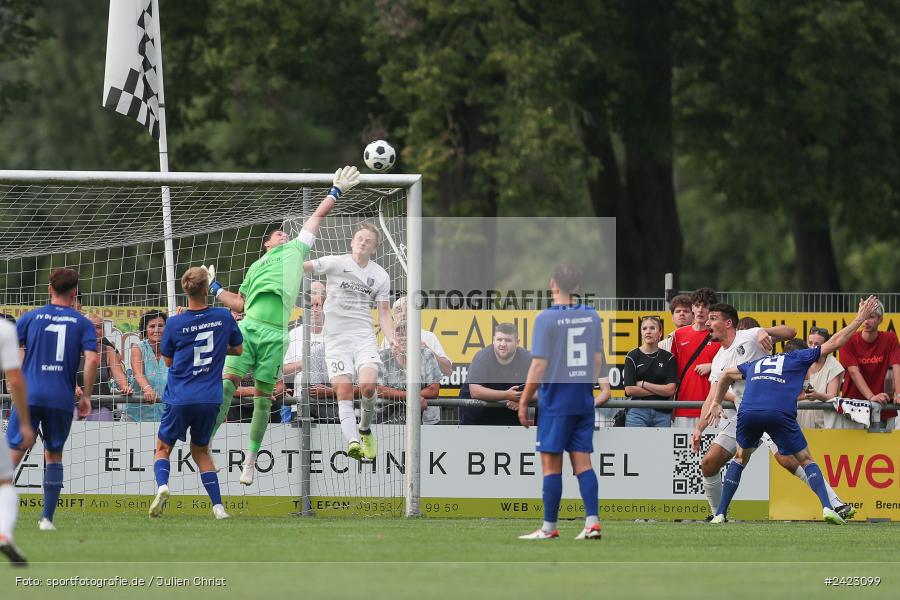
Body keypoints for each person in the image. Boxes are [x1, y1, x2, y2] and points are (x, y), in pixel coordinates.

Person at [210, 166, 359, 484]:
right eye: (279, 233)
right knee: (225, 386)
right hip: (248, 329)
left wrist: (336, 191)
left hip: (275, 335)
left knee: (265, 400)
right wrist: (215, 289)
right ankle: (206, 443)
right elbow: (240, 303)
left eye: (286, 233)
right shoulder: (254, 268)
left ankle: (250, 460)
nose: (285, 235)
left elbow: (316, 218)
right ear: (266, 244)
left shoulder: (295, 250)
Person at [707, 296, 880, 525]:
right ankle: (829, 507)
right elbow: (835, 343)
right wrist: (858, 319)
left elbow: (727, 375)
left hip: (748, 413)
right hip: (776, 412)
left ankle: (720, 513)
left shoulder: (755, 363)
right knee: (806, 459)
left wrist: (716, 402)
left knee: (740, 459)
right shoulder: (797, 359)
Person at [7, 268, 99, 531]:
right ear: (74, 293)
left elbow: (12, 350)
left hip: (30, 393)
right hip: (60, 396)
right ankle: (46, 519)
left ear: (49, 289)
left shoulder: (31, 317)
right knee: (54, 454)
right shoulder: (81, 322)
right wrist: (87, 396)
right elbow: (92, 358)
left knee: (13, 451)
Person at [517, 265, 604, 540]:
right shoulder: (591, 316)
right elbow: (598, 362)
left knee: (551, 467)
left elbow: (539, 365)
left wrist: (523, 401)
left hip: (555, 401)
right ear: (577, 288)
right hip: (582, 399)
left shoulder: (546, 319)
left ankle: (549, 527)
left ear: (552, 283)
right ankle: (592, 523)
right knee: (583, 464)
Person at [149, 267, 243, 519]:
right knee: (200, 451)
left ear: (185, 289)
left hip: (180, 396)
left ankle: (163, 486)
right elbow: (238, 350)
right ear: (206, 290)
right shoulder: (223, 317)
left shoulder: (175, 323)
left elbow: (167, 362)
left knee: (162, 448)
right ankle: (218, 507)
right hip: (210, 398)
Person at [304, 220, 394, 461]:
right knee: (343, 390)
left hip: (363, 337)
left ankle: (364, 429)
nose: (363, 243)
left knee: (367, 385)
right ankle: (353, 441)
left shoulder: (380, 275)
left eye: (369, 241)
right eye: (360, 238)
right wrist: (284, 259)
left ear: (374, 248)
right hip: (335, 339)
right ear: (352, 242)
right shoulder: (335, 262)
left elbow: (384, 312)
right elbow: (304, 266)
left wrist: (392, 338)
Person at [0, 316, 32, 564]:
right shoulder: (5, 329)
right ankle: (4, 534)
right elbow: (16, 379)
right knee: (5, 483)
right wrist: (23, 420)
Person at [839, 300, 900, 430]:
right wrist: (871, 397)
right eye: (864, 317)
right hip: (854, 409)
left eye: (871, 317)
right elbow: (854, 373)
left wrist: (898, 394)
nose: (866, 321)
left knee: (885, 448)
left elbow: (897, 366)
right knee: (854, 449)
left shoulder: (890, 338)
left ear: (880, 319)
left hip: (884, 407)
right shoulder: (848, 340)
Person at [282, 281, 335, 423]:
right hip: (300, 405)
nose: (314, 309)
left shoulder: (336, 334)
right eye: (310, 306)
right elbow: (282, 371)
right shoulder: (294, 334)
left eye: (318, 305)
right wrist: (303, 363)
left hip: (333, 404)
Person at [459, 323, 532, 426]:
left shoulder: (527, 358)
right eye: (499, 339)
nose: (502, 344)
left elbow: (543, 390)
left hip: (510, 415)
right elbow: (475, 391)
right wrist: (508, 395)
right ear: (493, 340)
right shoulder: (482, 357)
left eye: (508, 340)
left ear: (517, 342)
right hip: (476, 417)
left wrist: (521, 398)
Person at [670, 288, 720, 428]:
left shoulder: (719, 336)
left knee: (711, 450)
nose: (700, 310)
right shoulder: (678, 335)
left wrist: (712, 366)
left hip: (711, 408)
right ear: (692, 307)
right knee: (683, 450)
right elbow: (672, 374)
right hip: (683, 407)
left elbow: (730, 366)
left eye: (705, 306)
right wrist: (670, 406)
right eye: (697, 306)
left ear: (712, 309)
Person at [376, 320, 442, 424]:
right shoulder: (382, 356)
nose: (403, 338)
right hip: (383, 423)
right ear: (393, 337)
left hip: (416, 424)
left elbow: (434, 390)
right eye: (399, 334)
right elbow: (379, 389)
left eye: (407, 334)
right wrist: (412, 397)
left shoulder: (427, 355)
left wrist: (400, 395)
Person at [622, 316, 677, 427]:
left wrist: (643, 384)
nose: (648, 331)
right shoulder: (632, 356)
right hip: (637, 412)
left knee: (660, 445)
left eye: (652, 328)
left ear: (660, 332)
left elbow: (670, 390)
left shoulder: (669, 358)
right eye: (644, 328)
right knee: (635, 445)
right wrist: (661, 391)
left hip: (662, 413)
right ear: (641, 333)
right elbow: (630, 389)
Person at [77, 314, 133, 421]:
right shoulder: (72, 348)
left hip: (101, 405)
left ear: (103, 332)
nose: (94, 331)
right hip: (75, 404)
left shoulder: (108, 351)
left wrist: (125, 387)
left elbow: (119, 375)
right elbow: (65, 374)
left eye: (98, 327)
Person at [380, 296, 452, 376]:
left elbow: (448, 370)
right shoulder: (388, 339)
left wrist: (428, 352)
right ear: (393, 316)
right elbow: (381, 372)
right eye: (399, 310)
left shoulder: (428, 336)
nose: (404, 314)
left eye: (408, 310)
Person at [797, 327, 844, 429]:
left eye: (817, 344)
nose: (813, 347)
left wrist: (817, 395)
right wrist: (806, 396)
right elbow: (793, 395)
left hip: (824, 423)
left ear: (826, 345)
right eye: (810, 343)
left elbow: (832, 396)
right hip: (800, 420)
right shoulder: (802, 361)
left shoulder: (834, 365)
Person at [128, 310, 168, 422]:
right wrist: (148, 390)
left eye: (160, 326)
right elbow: (138, 373)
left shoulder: (174, 350)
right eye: (152, 326)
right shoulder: (138, 348)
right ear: (145, 330)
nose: (156, 330)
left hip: (166, 416)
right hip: (137, 416)